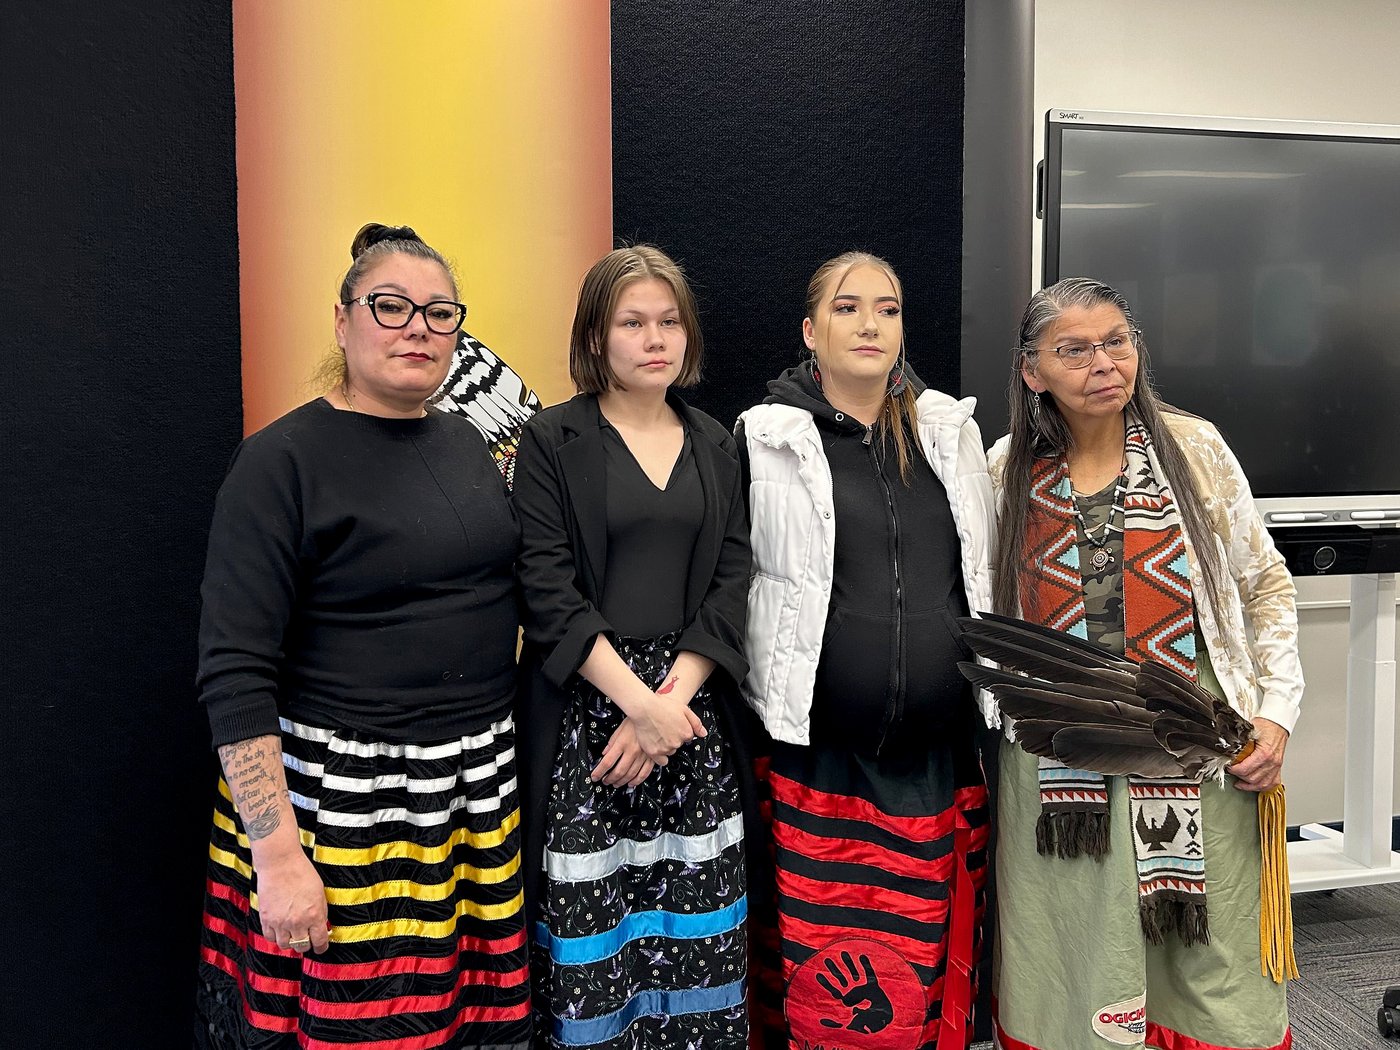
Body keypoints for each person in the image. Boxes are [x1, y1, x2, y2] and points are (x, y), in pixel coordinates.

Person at [194, 224, 530, 1049]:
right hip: (343, 807)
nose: (418, 328)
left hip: (474, 792)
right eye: (391, 307)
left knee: (462, 1026)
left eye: (440, 313)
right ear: (342, 322)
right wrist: (278, 856)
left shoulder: (467, 441)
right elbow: (234, 671)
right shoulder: (279, 462)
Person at [989, 277, 1302, 1050]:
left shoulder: (1194, 449)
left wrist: (1275, 715)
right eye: (1074, 349)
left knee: (1211, 948)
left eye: (1116, 342)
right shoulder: (1002, 472)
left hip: (1194, 741)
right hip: (1061, 759)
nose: (1104, 363)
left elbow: (1264, 583)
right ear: (1032, 370)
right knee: (1076, 945)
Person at [737, 251, 997, 1050]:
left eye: (888, 308)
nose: (870, 324)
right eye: (847, 308)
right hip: (816, 766)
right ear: (810, 330)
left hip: (932, 763)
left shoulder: (950, 433)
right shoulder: (763, 438)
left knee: (920, 986)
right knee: (820, 991)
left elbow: (982, 574)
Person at [513, 246, 754, 1048]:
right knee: (595, 935)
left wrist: (667, 707)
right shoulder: (551, 440)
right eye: (632, 323)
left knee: (695, 931)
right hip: (588, 718)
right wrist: (637, 707)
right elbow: (546, 590)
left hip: (687, 716)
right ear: (595, 336)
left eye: (669, 322)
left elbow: (731, 581)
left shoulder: (716, 443)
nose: (655, 339)